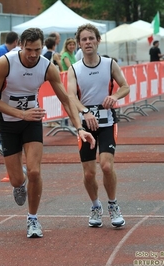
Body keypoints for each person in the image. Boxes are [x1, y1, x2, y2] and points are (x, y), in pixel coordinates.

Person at [0, 27, 95, 238]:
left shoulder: (47, 67)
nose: (33, 54)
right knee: (17, 180)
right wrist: (20, 113)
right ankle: (20, 181)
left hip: (32, 121)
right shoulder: (5, 63)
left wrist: (79, 128)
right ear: (21, 45)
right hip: (8, 122)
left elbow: (66, 99)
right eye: (29, 50)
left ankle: (33, 219)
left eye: (37, 49)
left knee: (35, 171)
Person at [67, 23, 130, 228]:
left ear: (98, 41)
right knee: (89, 172)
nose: (87, 42)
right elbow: (70, 96)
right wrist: (84, 112)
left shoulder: (109, 64)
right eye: (83, 39)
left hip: (107, 122)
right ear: (79, 44)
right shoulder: (74, 69)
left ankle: (113, 205)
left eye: (91, 38)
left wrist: (114, 96)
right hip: (86, 125)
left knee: (105, 165)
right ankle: (95, 206)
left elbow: (125, 87)